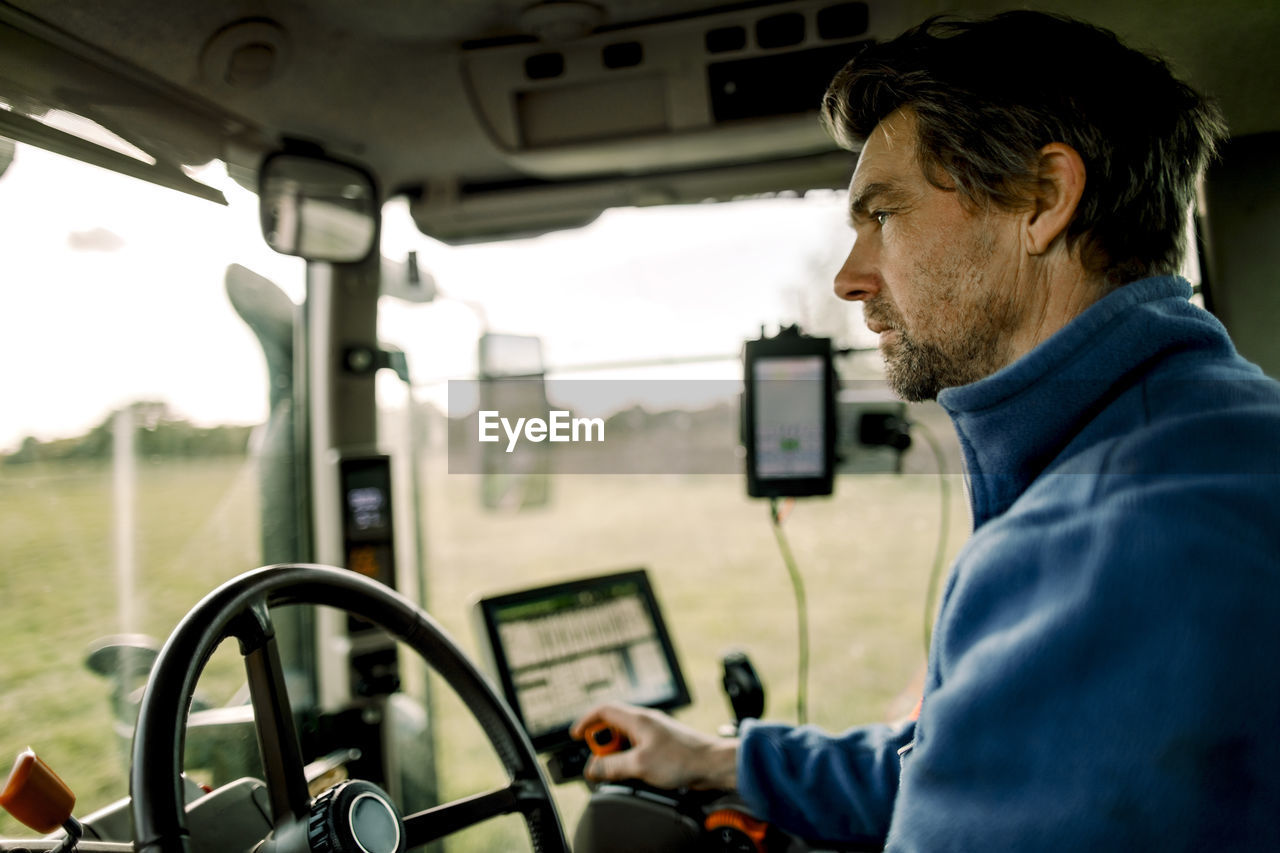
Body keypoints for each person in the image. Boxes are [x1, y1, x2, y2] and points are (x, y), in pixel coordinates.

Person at [572, 11, 1280, 850]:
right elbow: (976, 763)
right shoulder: (1213, 434)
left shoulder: (1103, 544)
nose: (848, 276)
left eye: (884, 215)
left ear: (1042, 200)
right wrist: (723, 760)